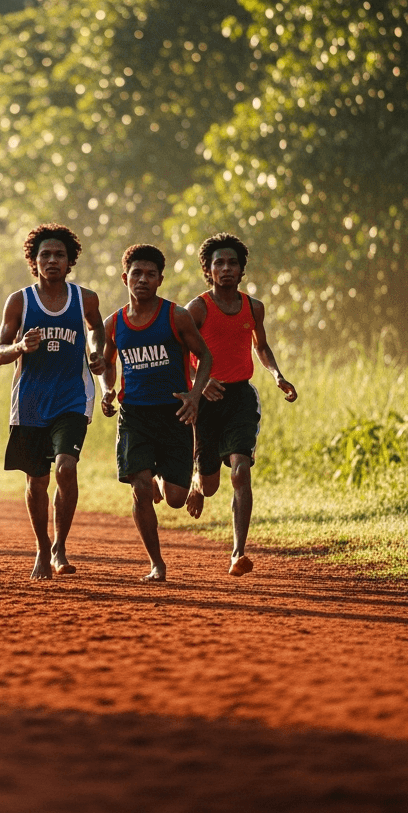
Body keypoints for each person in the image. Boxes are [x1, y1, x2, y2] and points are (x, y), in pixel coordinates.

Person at [0, 224, 106, 581]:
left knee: (66, 468)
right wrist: (20, 347)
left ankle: (60, 545)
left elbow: (96, 329)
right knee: (36, 481)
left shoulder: (85, 298)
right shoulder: (20, 301)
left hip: (73, 397)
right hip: (29, 402)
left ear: (71, 261)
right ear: (34, 261)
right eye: (45, 255)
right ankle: (42, 547)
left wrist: (97, 351)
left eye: (59, 255)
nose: (52, 260)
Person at [185, 232, 298, 576]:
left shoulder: (253, 307)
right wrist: (200, 385)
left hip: (240, 398)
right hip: (207, 398)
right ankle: (196, 481)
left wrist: (277, 374)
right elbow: (183, 353)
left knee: (240, 471)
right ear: (208, 269)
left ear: (242, 268)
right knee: (211, 484)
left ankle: (238, 552)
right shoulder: (198, 308)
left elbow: (261, 346)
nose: (227, 268)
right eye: (219, 262)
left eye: (233, 262)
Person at [98, 245, 213, 582]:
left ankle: (174, 481)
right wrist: (107, 390)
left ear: (161, 279)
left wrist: (194, 395)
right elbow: (107, 364)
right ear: (125, 278)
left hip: (174, 413)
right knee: (140, 486)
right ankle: (156, 563)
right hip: (134, 415)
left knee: (175, 499)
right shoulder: (114, 323)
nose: (143, 280)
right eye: (137, 273)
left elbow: (204, 357)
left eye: (150, 274)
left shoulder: (176, 316)